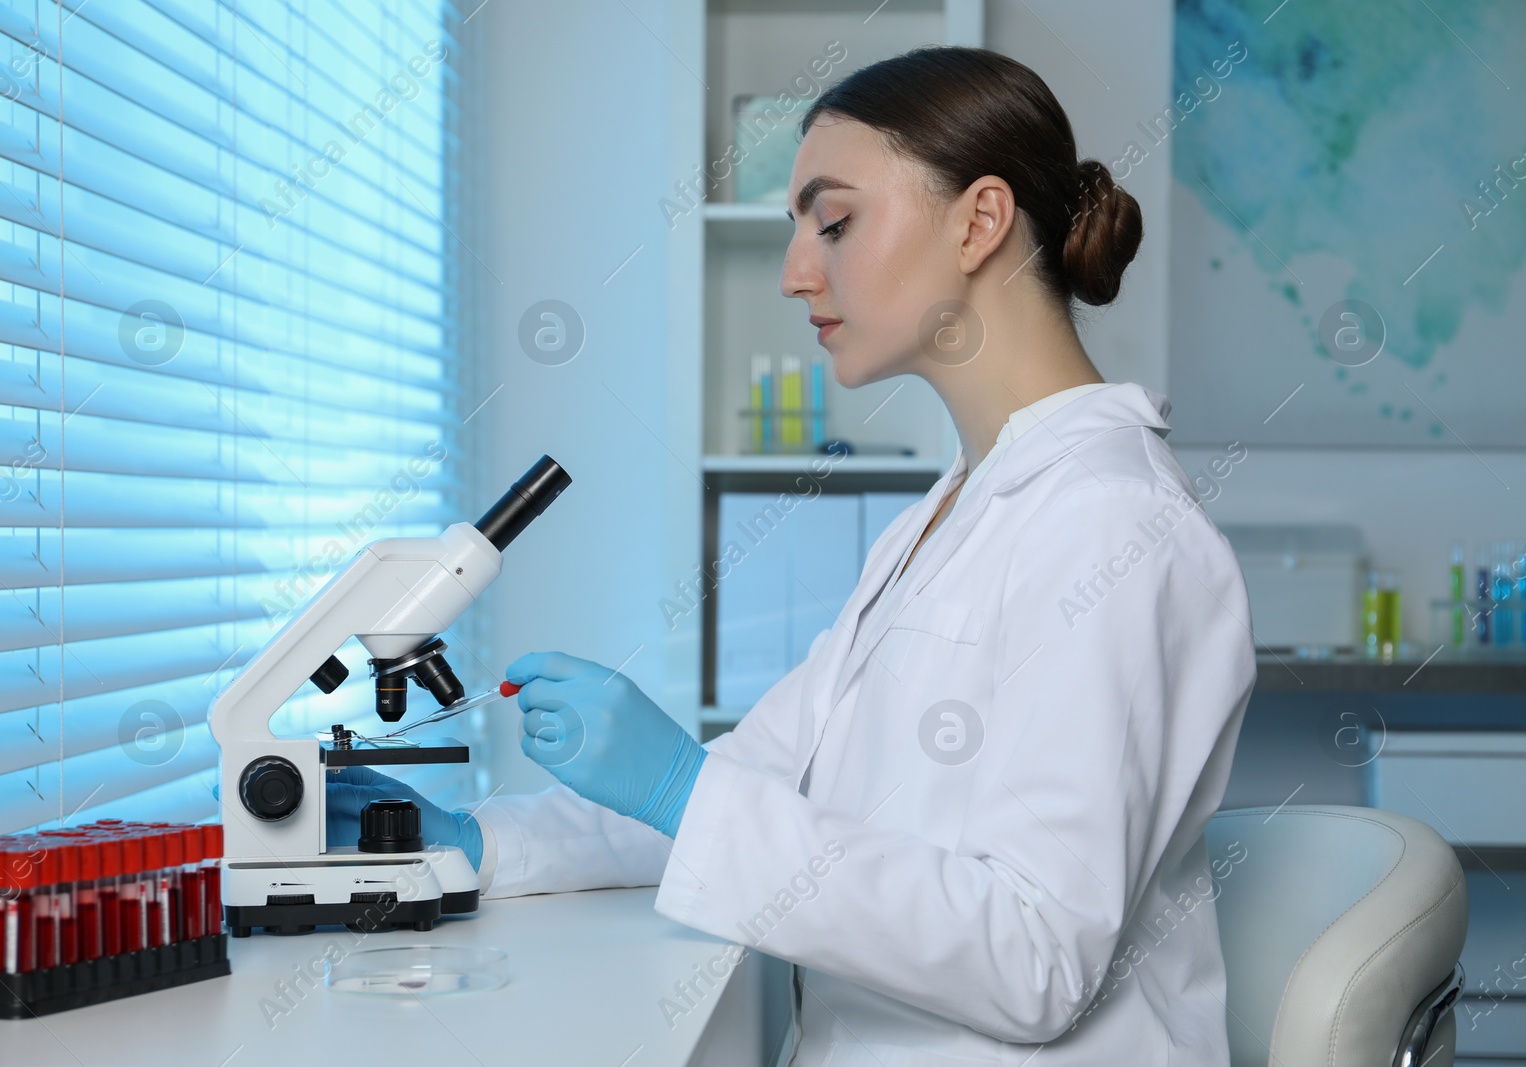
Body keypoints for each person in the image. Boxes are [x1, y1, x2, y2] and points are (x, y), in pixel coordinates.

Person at [332, 46, 1255, 1066]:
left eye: (836, 220)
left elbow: (1033, 953)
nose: (794, 272)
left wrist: (681, 787)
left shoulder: (1114, 527)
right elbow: (760, 780)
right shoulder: (946, 514)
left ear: (980, 222)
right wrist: (481, 842)